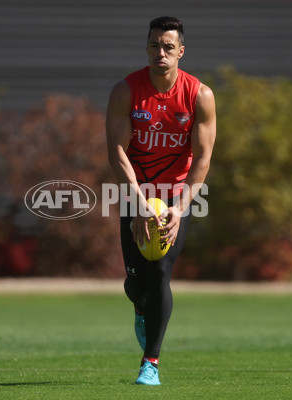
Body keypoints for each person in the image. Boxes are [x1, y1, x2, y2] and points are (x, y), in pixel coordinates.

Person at [105, 16, 216, 385]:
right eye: (155, 45)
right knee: (137, 282)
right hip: (135, 192)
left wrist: (180, 208)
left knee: (160, 272)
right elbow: (117, 153)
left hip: (175, 199)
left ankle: (150, 362)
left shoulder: (199, 95)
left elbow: (202, 159)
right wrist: (137, 203)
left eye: (169, 47)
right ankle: (139, 305)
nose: (161, 53)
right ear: (147, 48)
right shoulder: (126, 91)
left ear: (181, 51)